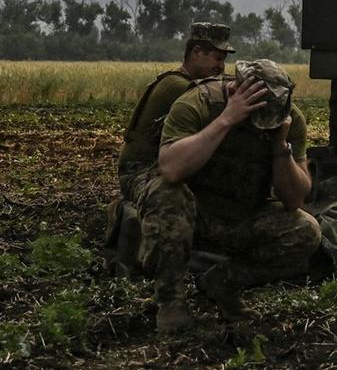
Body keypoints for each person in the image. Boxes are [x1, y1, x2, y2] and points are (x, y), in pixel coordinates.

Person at [139, 57, 321, 332]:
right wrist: (226, 120)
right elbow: (172, 169)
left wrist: (279, 146)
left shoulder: (289, 120)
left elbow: (295, 199)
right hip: (192, 212)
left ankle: (223, 284)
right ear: (236, 92)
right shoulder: (198, 104)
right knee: (166, 193)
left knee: (306, 230)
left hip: (240, 214)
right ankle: (170, 301)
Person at [117, 22, 234, 194]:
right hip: (139, 170)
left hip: (163, 164)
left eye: (223, 60)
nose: (221, 67)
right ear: (196, 53)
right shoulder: (180, 87)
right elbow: (218, 93)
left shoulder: (186, 82)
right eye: (217, 58)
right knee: (174, 196)